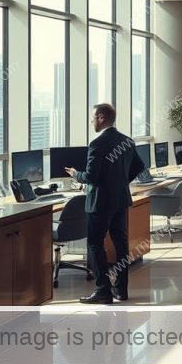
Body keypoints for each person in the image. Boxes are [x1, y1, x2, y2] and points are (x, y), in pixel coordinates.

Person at [65, 103, 145, 303]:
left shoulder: (97, 144)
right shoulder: (127, 141)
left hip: (100, 203)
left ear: (101, 118)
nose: (91, 120)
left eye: (93, 117)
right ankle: (120, 290)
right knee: (121, 244)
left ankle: (103, 290)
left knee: (94, 243)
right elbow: (139, 166)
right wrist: (120, 182)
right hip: (120, 199)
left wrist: (76, 174)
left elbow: (91, 176)